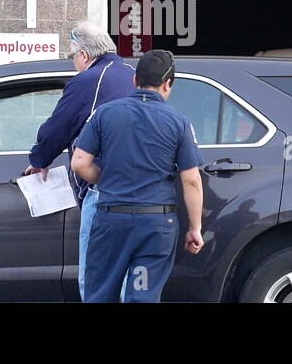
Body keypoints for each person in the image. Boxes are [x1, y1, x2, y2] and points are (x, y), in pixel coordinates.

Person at [71, 49, 205, 303]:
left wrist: (107, 179)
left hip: (112, 220)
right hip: (156, 225)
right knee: (143, 296)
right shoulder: (179, 122)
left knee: (100, 294)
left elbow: (79, 163)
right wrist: (195, 228)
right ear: (168, 84)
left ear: (134, 81)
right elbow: (191, 180)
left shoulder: (105, 113)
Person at [24, 20, 134, 300]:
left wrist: (39, 158)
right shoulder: (132, 75)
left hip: (104, 192)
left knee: (96, 278)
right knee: (127, 279)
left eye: (73, 57)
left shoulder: (89, 80)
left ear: (84, 55)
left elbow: (58, 127)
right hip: (142, 191)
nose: (74, 63)